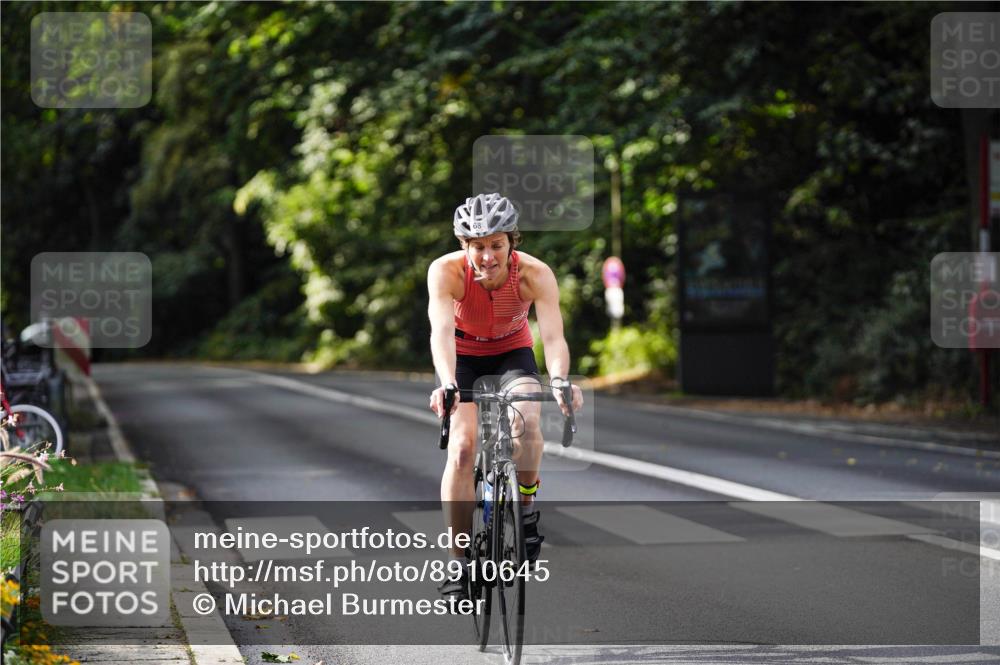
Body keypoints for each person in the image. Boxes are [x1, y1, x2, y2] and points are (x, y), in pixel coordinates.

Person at [427, 192, 584, 600]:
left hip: (512, 352)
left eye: (496, 245)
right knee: (461, 450)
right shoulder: (446, 272)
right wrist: (447, 382)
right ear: (465, 246)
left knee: (527, 422)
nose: (487, 256)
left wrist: (562, 379)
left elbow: (552, 336)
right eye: (478, 246)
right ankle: (458, 562)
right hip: (464, 357)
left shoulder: (534, 273)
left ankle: (527, 514)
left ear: (511, 242)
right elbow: (440, 332)